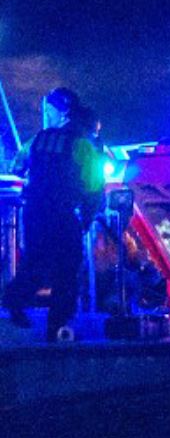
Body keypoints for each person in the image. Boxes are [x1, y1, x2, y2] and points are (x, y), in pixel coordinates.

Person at [4, 87, 104, 338]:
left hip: (33, 212)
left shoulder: (38, 138)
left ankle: (14, 298)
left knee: (36, 261)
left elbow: (17, 167)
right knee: (67, 269)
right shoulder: (83, 145)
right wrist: (87, 220)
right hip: (62, 213)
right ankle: (56, 328)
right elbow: (94, 188)